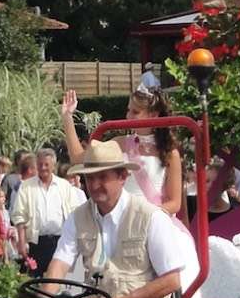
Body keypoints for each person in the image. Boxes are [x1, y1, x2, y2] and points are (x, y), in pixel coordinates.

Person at [44, 140, 194, 298]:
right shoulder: (78, 217)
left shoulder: (150, 217)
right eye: (88, 178)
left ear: (123, 176)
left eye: (102, 177)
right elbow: (59, 264)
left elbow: (171, 281)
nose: (94, 185)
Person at [63, 88, 184, 216]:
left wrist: (146, 216)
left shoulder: (170, 152)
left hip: (154, 220)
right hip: (122, 219)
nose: (128, 116)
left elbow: (174, 203)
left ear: (153, 115)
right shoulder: (119, 144)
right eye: (128, 110)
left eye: (135, 112)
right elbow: (78, 159)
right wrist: (67, 117)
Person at [11, 148, 84, 276]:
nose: (43, 168)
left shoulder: (64, 186)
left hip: (60, 241)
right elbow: (19, 216)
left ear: (53, 166)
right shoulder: (26, 186)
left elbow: (74, 213)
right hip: (37, 242)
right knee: (35, 281)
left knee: (58, 279)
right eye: (40, 165)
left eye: (46, 165)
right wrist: (21, 242)